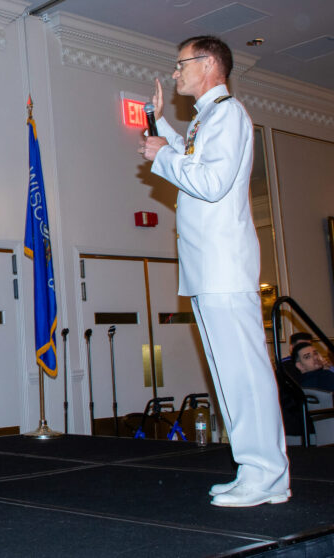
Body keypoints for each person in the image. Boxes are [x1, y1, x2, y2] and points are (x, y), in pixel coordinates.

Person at [140, 36, 290, 507]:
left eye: (181, 64)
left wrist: (163, 153)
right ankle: (255, 470)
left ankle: (266, 474)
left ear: (208, 65)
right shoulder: (209, 119)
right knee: (229, 375)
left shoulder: (228, 114)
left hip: (224, 269)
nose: (175, 71)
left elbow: (208, 181)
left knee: (244, 374)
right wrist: (159, 124)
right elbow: (193, 159)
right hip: (210, 270)